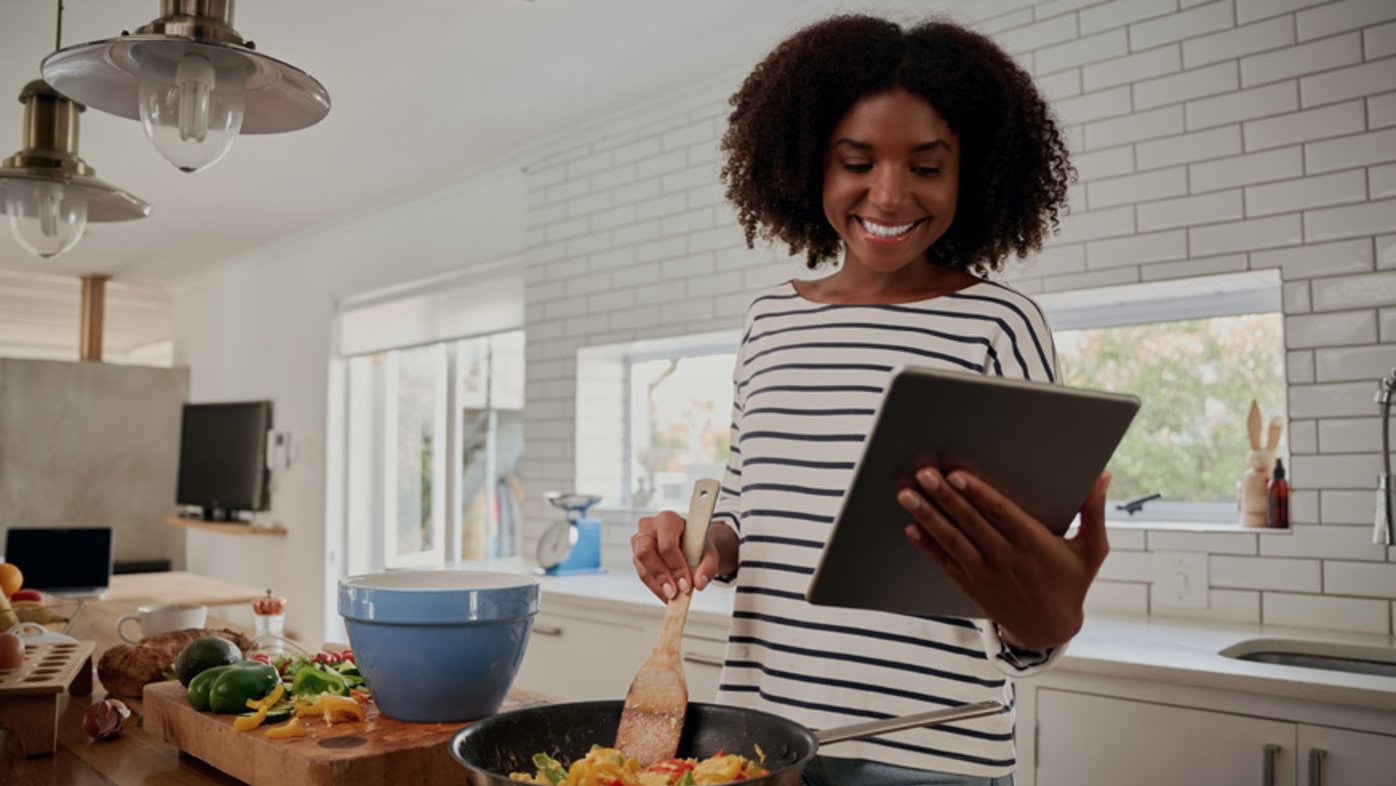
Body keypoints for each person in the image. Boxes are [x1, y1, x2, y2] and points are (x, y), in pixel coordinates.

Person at [629, 14, 1110, 786]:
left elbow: (1023, 567)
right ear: (809, 164)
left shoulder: (999, 322)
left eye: (927, 167)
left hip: (934, 749)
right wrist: (702, 548)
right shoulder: (770, 321)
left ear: (973, 174)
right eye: (856, 161)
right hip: (759, 745)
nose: (888, 195)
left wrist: (1047, 618)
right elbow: (750, 503)